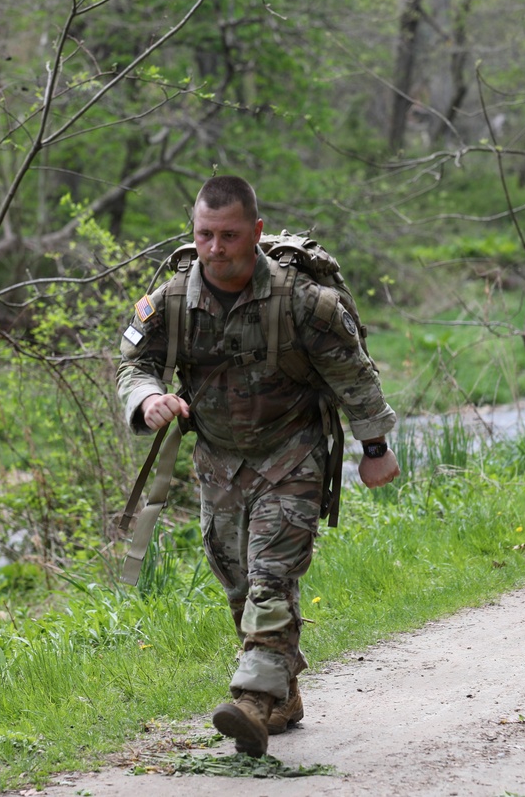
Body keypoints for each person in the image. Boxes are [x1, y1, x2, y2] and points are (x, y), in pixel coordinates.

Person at [116, 175, 400, 757]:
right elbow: (134, 363)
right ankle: (282, 694)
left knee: (272, 574)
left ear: (256, 232)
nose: (216, 249)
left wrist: (375, 448)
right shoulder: (170, 301)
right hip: (218, 460)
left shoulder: (303, 304)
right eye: (205, 235)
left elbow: (354, 375)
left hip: (291, 453)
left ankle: (249, 701)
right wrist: (148, 400)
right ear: (192, 232)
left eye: (230, 235)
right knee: (239, 583)